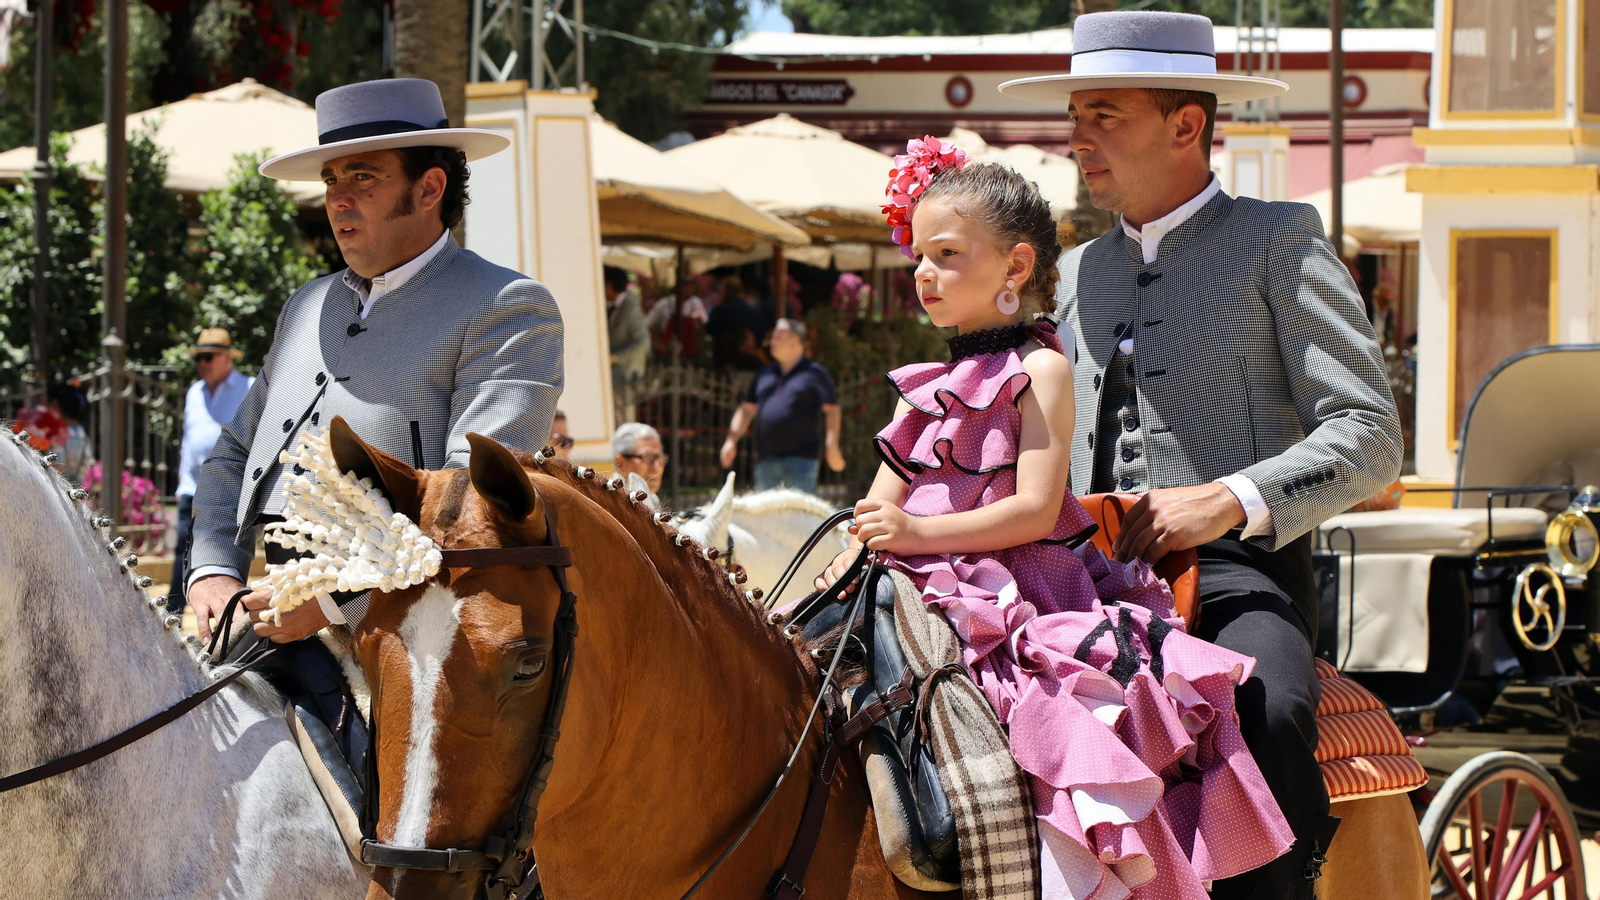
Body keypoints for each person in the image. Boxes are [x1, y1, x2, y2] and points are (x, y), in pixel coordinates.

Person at [817, 145, 1296, 899]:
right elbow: (885, 500)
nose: (923, 273)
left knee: (1049, 713)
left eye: (947, 254)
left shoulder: (1041, 367)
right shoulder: (927, 386)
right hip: (921, 578)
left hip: (1021, 589)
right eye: (919, 256)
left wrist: (915, 536)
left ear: (1015, 266)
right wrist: (858, 544)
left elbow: (1037, 509)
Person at [1004, 11, 1403, 896]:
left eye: (1105, 115)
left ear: (1186, 124)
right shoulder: (1077, 272)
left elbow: (1371, 433)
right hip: (1077, 580)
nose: (1078, 139)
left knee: (1268, 706)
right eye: (1075, 116)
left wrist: (1225, 499)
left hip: (1236, 571)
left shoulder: (1278, 240)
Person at [188, 77, 564, 648]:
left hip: (411, 641)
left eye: (363, 176)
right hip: (269, 616)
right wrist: (214, 569)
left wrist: (333, 601)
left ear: (429, 188)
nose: (338, 199)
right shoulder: (307, 304)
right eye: (330, 180)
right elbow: (236, 451)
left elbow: (472, 503)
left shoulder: (508, 305)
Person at [168, 328, 254, 613]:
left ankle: (230, 619)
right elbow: (188, 439)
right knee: (182, 550)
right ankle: (173, 614)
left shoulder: (249, 387)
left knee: (229, 555)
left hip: (231, 489)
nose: (202, 363)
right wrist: (182, 478)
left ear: (227, 358)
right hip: (191, 486)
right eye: (199, 357)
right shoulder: (195, 392)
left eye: (208, 356)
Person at [719, 318, 844, 493]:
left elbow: (832, 410)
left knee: (799, 510)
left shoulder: (815, 373)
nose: (772, 342)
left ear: (794, 341)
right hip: (766, 460)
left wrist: (832, 445)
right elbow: (747, 409)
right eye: (772, 337)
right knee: (766, 511)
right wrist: (731, 440)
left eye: (778, 337)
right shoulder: (764, 374)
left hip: (802, 460)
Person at [705, 276, 767, 370]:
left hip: (728, 365)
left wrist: (717, 305)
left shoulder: (723, 311)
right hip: (754, 364)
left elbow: (710, 329)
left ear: (726, 293)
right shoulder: (755, 311)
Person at [605, 265, 649, 390]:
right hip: (613, 379)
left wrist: (616, 357)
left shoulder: (630, 308)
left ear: (609, 286)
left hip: (626, 379)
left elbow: (643, 343)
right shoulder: (611, 307)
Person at [45, 381, 92, 484]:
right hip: (78, 488)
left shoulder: (58, 432)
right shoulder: (81, 431)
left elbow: (58, 468)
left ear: (55, 404)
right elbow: (88, 465)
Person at [612, 422, 665, 495]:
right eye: (647, 458)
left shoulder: (651, 497)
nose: (656, 467)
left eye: (660, 458)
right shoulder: (610, 498)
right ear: (620, 463)